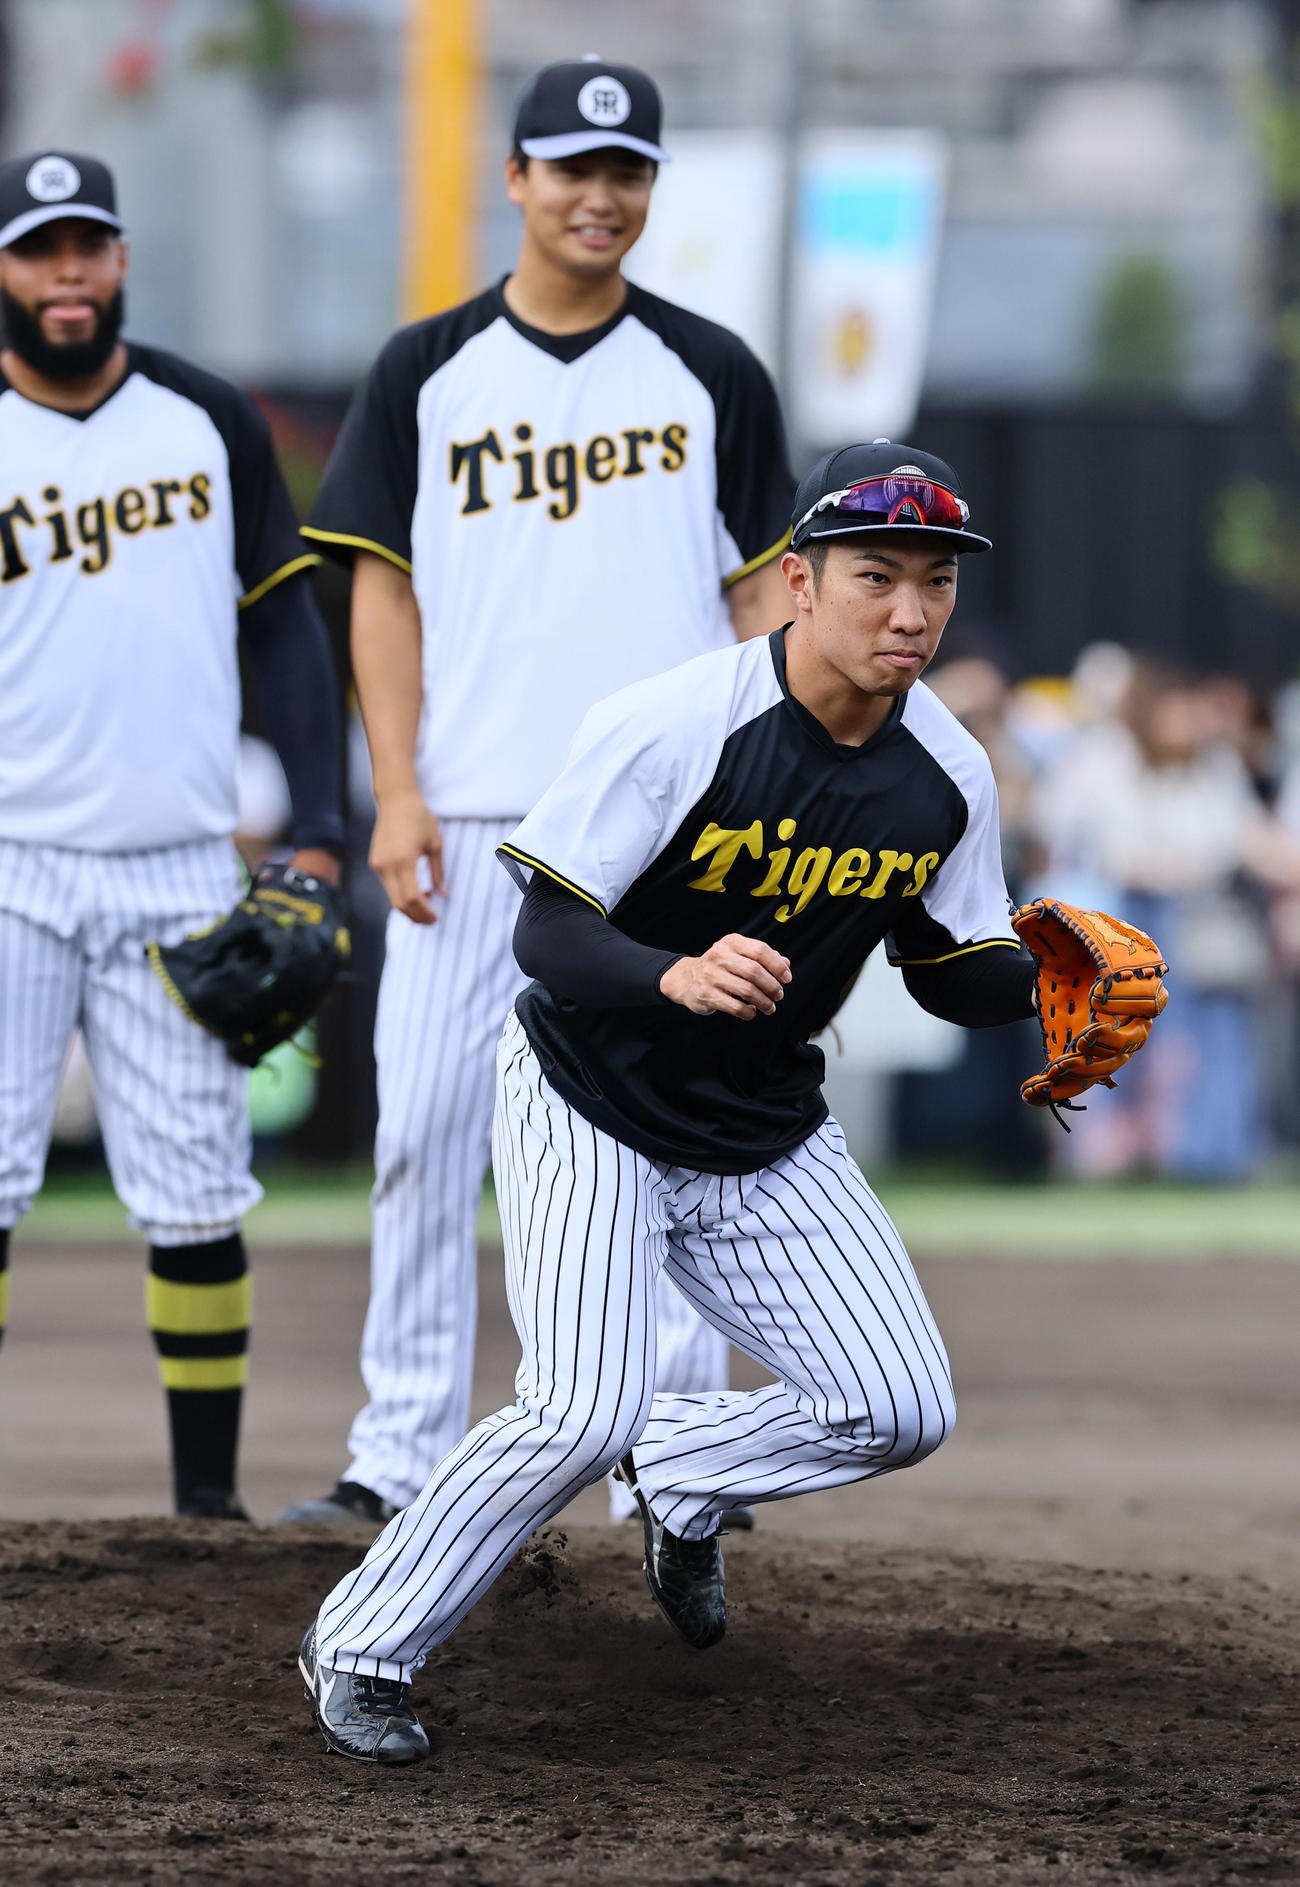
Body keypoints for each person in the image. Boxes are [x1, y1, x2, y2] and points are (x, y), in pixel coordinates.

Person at [298, 441, 1052, 1764]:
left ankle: (688, 1471)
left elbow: (947, 969)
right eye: (875, 575)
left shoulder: (947, 770)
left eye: (933, 582)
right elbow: (544, 937)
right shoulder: (674, 720)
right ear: (798, 584)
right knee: (579, 1408)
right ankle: (363, 1642)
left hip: (762, 1124)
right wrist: (674, 969)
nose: (909, 612)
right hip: (588, 1089)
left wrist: (1044, 978)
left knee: (899, 1406)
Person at [280, 56, 794, 1531]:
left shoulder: (711, 369)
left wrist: (757, 793)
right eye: (574, 168)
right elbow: (380, 591)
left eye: (628, 171)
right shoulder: (428, 367)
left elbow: (765, 589)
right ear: (516, 180)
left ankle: (677, 1455)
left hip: (665, 823)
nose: (602, 195)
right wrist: (394, 791)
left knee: (671, 1134)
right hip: (480, 810)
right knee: (425, 1133)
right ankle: (398, 1451)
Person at [0, 151, 344, 1517]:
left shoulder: (204, 417)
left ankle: (206, 1513)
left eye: (87, 248)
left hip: (175, 864)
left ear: (122, 260)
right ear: (8, 272)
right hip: (9, 862)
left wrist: (316, 824)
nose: (66, 275)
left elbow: (287, 627)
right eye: (39, 251)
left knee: (199, 1190)